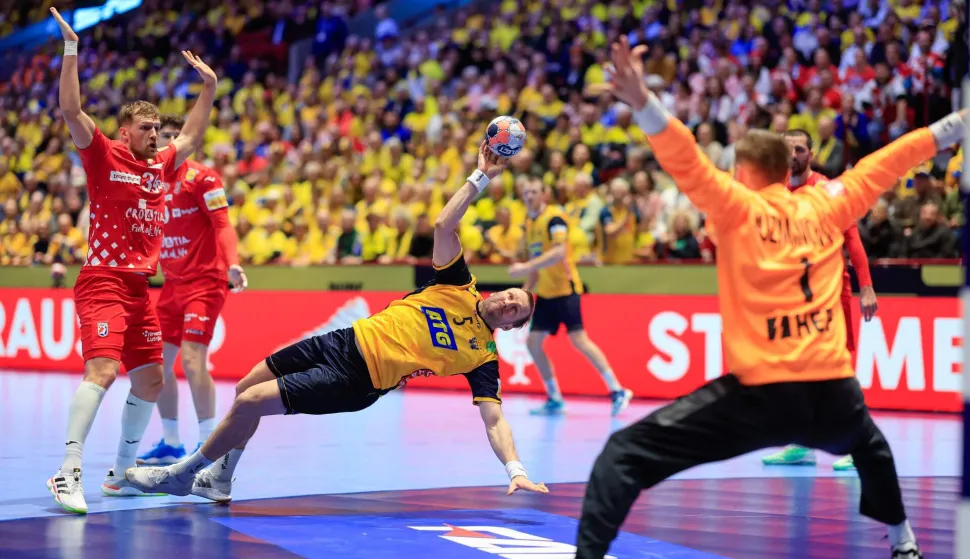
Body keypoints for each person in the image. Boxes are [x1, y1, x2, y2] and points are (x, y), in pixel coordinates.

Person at [574, 37, 964, 559]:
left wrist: (643, 100)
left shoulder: (736, 206)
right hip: (832, 390)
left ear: (741, 175)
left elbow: (684, 158)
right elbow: (889, 161)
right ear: (787, 171)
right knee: (871, 448)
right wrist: (951, 127)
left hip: (760, 396)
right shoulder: (829, 203)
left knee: (622, 456)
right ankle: (905, 543)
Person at [124, 143, 550, 502]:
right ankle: (220, 479)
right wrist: (481, 176)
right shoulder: (459, 282)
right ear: (496, 292)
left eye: (516, 310)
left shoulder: (483, 357)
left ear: (511, 326)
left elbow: (494, 419)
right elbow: (443, 224)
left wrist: (515, 468)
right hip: (342, 340)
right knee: (243, 390)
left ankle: (183, 474)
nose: (509, 303)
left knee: (251, 404)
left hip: (358, 378)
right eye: (510, 296)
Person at [46, 8, 219, 515]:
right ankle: (67, 471)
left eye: (155, 128)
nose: (154, 135)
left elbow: (189, 136)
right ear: (124, 132)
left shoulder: (160, 166)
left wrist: (207, 89)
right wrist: (72, 50)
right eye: (144, 128)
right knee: (101, 370)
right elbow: (71, 110)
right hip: (102, 281)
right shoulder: (103, 154)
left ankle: (121, 473)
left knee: (150, 380)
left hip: (142, 288)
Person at [761, 129, 879, 471]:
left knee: (840, 367)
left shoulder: (827, 190)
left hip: (829, 290)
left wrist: (867, 286)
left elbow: (852, 239)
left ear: (810, 154)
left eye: (799, 149)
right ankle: (801, 443)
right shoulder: (775, 193)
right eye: (787, 149)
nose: (793, 154)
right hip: (792, 295)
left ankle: (860, 444)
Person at [136, 115, 248, 466]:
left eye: (173, 135)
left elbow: (222, 224)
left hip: (205, 281)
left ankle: (210, 445)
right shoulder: (149, 181)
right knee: (157, 366)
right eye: (160, 136)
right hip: (171, 285)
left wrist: (233, 263)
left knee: (193, 359)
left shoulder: (203, 177)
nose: (166, 140)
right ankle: (171, 442)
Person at [508, 181, 632, 416]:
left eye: (534, 191)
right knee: (533, 343)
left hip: (565, 290)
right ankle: (554, 397)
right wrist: (524, 295)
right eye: (525, 193)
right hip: (545, 293)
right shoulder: (529, 222)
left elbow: (558, 253)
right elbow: (537, 266)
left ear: (543, 194)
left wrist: (524, 266)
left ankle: (617, 390)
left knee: (579, 340)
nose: (529, 196)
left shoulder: (555, 220)